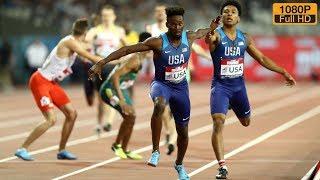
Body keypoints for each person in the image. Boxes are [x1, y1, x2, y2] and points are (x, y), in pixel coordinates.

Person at [89, 6, 220, 180]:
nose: (177, 27)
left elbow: (203, 31)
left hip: (181, 88)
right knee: (159, 105)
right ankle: (155, 150)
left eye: (180, 24)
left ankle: (179, 165)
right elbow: (127, 50)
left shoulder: (189, 36)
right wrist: (102, 62)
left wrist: (212, 27)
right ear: (167, 24)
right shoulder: (157, 42)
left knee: (183, 133)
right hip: (161, 84)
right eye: (173, 24)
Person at [205, 1, 296, 179]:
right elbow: (209, 39)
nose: (229, 14)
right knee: (218, 122)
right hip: (221, 87)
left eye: (233, 12)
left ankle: (232, 105)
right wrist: (210, 30)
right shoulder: (216, 35)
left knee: (246, 122)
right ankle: (222, 167)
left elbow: (261, 58)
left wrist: (283, 71)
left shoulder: (244, 38)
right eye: (225, 12)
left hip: (239, 88)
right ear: (221, 17)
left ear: (238, 18)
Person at [14, 18, 103, 161]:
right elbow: (90, 56)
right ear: (85, 33)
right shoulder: (69, 42)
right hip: (40, 81)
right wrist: (114, 60)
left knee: (72, 114)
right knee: (51, 119)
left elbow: (85, 54)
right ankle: (22, 148)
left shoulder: (75, 43)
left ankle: (62, 150)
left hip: (51, 83)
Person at [146, 4, 212, 156]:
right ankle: (169, 132)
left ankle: (171, 138)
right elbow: (141, 46)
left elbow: (192, 45)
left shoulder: (183, 33)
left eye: (160, 12)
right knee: (162, 107)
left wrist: (206, 57)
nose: (159, 14)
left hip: (181, 76)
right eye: (156, 12)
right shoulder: (153, 31)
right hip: (161, 75)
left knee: (171, 110)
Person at [99, 32, 151, 160]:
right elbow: (116, 76)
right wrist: (122, 99)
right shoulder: (135, 59)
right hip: (109, 90)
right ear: (144, 46)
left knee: (131, 117)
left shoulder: (142, 58)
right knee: (129, 115)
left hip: (120, 90)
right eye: (151, 44)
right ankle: (117, 146)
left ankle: (124, 149)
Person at [85, 5, 127, 134]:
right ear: (101, 17)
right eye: (104, 16)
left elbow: (128, 47)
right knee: (101, 98)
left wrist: (124, 59)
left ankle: (108, 122)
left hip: (113, 66)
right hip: (99, 66)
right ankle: (99, 122)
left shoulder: (119, 31)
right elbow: (86, 41)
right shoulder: (95, 30)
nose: (106, 18)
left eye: (109, 15)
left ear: (114, 17)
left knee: (112, 94)